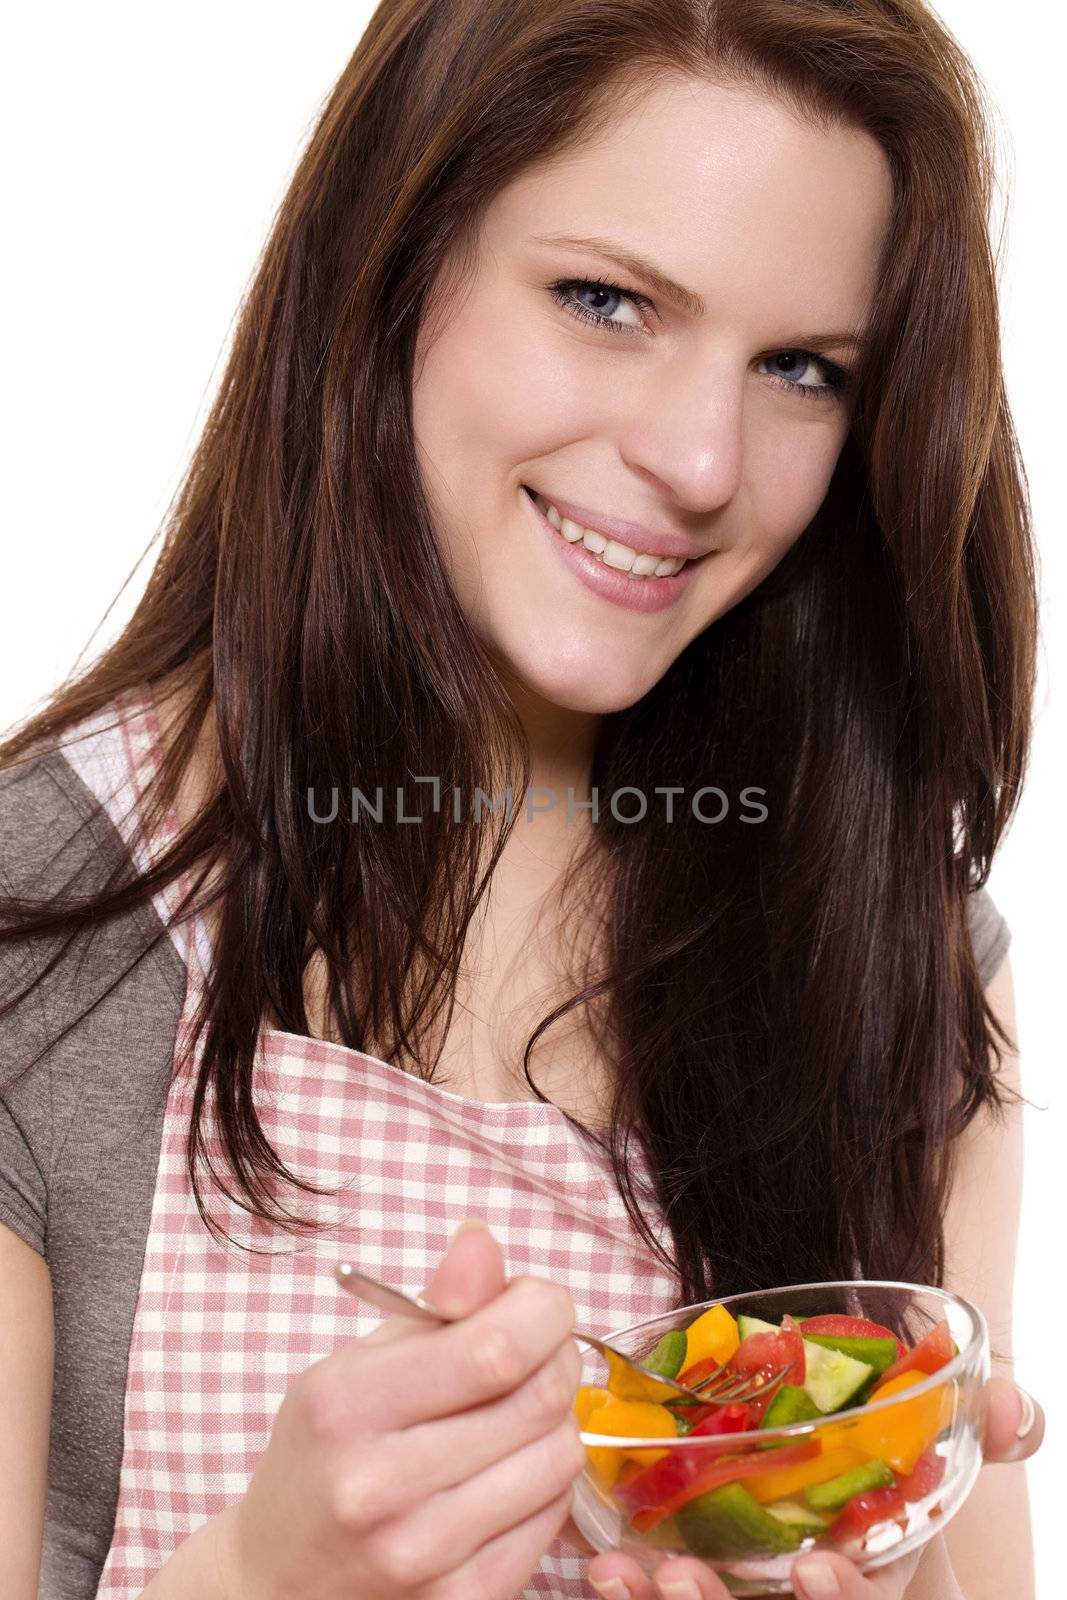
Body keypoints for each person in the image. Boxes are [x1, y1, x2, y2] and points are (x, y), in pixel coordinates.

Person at [0, 1, 1046, 1597]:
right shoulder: (43, 915)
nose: (702, 459)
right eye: (606, 299)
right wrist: (267, 1582)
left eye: (801, 367)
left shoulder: (898, 951)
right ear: (393, 262)